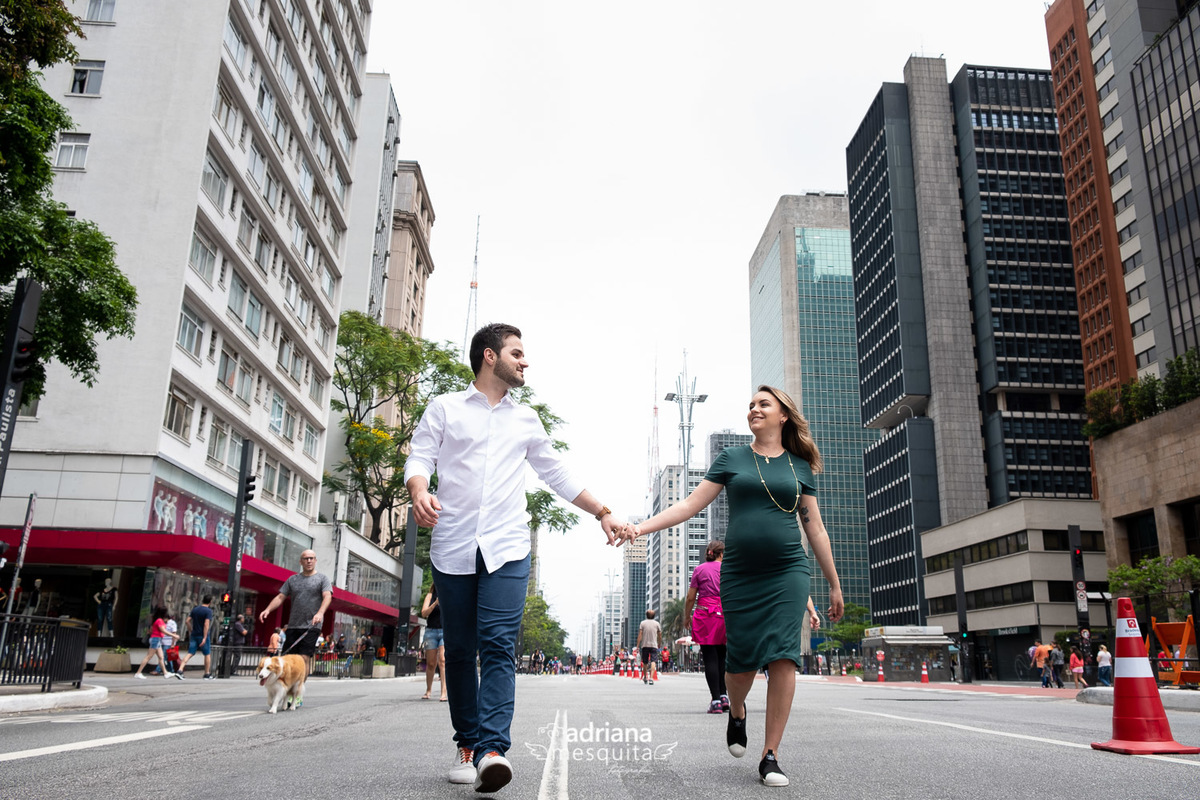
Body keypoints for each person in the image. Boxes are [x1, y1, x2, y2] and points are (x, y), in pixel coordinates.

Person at [404, 322, 627, 793]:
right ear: (490, 356)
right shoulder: (444, 408)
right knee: (460, 650)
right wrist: (419, 492)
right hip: (453, 546)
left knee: (498, 644)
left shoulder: (526, 419)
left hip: (507, 548)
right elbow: (420, 457)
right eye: (517, 353)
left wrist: (602, 512)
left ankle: (491, 750)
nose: (526, 361)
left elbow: (557, 473)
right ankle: (467, 744)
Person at [628, 385, 844, 788]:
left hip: (788, 570)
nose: (754, 409)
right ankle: (738, 710)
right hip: (741, 574)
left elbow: (814, 527)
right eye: (751, 405)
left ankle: (770, 755)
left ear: (783, 415)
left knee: (784, 657)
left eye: (764, 404)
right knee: (740, 664)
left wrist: (833, 584)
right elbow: (688, 505)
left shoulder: (799, 466)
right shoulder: (732, 459)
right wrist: (640, 528)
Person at [258, 549, 333, 675]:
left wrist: (320, 613)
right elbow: (280, 597)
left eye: (311, 558)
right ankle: (290, 684)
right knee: (288, 659)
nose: (309, 561)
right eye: (306, 558)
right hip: (293, 626)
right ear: (300, 561)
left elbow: (327, 596)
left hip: (312, 625)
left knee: (304, 658)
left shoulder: (322, 579)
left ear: (315, 561)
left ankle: (300, 686)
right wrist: (267, 609)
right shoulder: (292, 580)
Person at [686, 540, 729, 713]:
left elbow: (691, 597)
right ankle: (724, 696)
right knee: (723, 657)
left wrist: (686, 616)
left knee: (710, 658)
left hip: (705, 616)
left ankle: (716, 701)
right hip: (725, 615)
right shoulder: (728, 569)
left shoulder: (699, 570)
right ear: (721, 554)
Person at [175, 596, 216, 679]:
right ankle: (207, 674)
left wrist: (191, 630)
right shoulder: (208, 611)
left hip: (194, 635)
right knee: (207, 654)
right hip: (202, 635)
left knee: (190, 653)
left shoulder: (195, 609)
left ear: (202, 600)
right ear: (210, 602)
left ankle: (180, 670)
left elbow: (187, 621)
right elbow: (206, 624)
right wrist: (205, 637)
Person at [422, 584, 447, 701]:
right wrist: (435, 603)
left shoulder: (448, 594)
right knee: (431, 663)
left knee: (442, 660)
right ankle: (428, 690)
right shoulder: (430, 596)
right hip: (431, 632)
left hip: (445, 631)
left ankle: (444, 692)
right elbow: (424, 613)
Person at [133, 607, 170, 680]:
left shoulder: (156, 620)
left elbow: (151, 631)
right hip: (156, 640)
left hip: (157, 639)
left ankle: (166, 673)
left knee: (161, 657)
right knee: (149, 656)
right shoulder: (159, 620)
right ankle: (138, 673)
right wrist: (173, 635)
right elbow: (163, 630)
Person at [636, 610, 662, 684]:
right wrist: (659, 643)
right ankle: (651, 678)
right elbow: (660, 635)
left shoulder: (643, 623)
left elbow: (640, 635)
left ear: (646, 615)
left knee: (645, 662)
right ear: (654, 616)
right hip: (654, 645)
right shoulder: (657, 624)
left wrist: (637, 645)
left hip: (645, 645)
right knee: (653, 661)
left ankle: (645, 677)